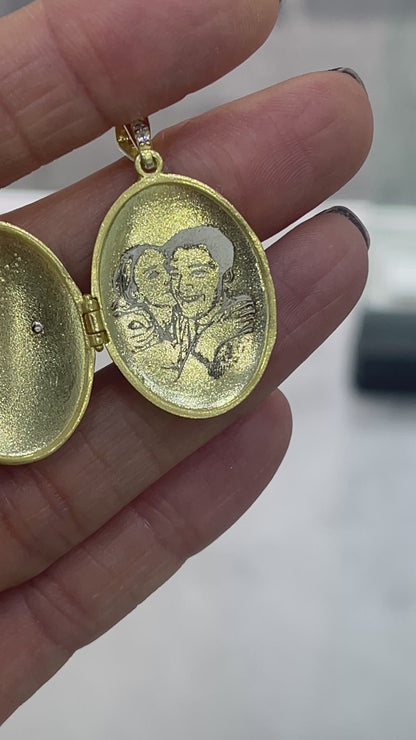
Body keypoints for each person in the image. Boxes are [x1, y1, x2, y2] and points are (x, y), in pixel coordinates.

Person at [0, 0, 372, 725]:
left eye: (204, 272)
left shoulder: (218, 323)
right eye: (183, 272)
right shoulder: (142, 308)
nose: (193, 282)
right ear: (161, 277)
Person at [164, 226, 255, 379]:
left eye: (198, 273)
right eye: (175, 274)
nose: (182, 286)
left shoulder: (240, 331)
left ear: (226, 276)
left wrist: (209, 343)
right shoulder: (176, 323)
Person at [112, 243, 176, 352]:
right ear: (134, 292)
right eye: (153, 275)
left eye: (167, 267)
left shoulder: (183, 318)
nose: (167, 277)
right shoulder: (137, 331)